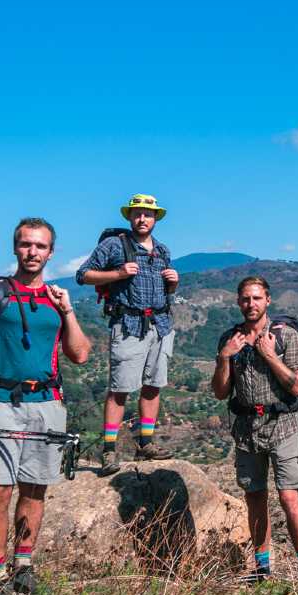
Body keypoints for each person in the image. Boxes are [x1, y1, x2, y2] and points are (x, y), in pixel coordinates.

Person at [0, 217, 92, 595]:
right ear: (15, 248)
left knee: (35, 489)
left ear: (51, 252)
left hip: (47, 401)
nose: (32, 252)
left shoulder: (55, 299)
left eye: (40, 246)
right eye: (25, 245)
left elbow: (81, 353)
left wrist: (68, 311)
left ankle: (24, 566)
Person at [211, 276, 298, 584]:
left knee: (288, 497)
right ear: (238, 302)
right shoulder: (230, 339)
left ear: (268, 300)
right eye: (245, 299)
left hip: (282, 425)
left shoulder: (286, 337)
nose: (251, 304)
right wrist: (223, 358)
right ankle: (261, 568)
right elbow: (220, 392)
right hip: (246, 428)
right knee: (254, 497)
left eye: (256, 298)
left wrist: (270, 355)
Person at [76, 193, 178, 472]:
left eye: (147, 214)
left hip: (160, 325)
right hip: (128, 325)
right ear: (129, 216)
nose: (142, 218)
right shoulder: (114, 245)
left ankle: (146, 443)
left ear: (155, 217)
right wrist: (118, 274)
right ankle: (109, 450)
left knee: (153, 386)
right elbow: (83, 275)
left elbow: (163, 292)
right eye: (137, 213)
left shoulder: (163, 251)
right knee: (119, 389)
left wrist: (173, 284)